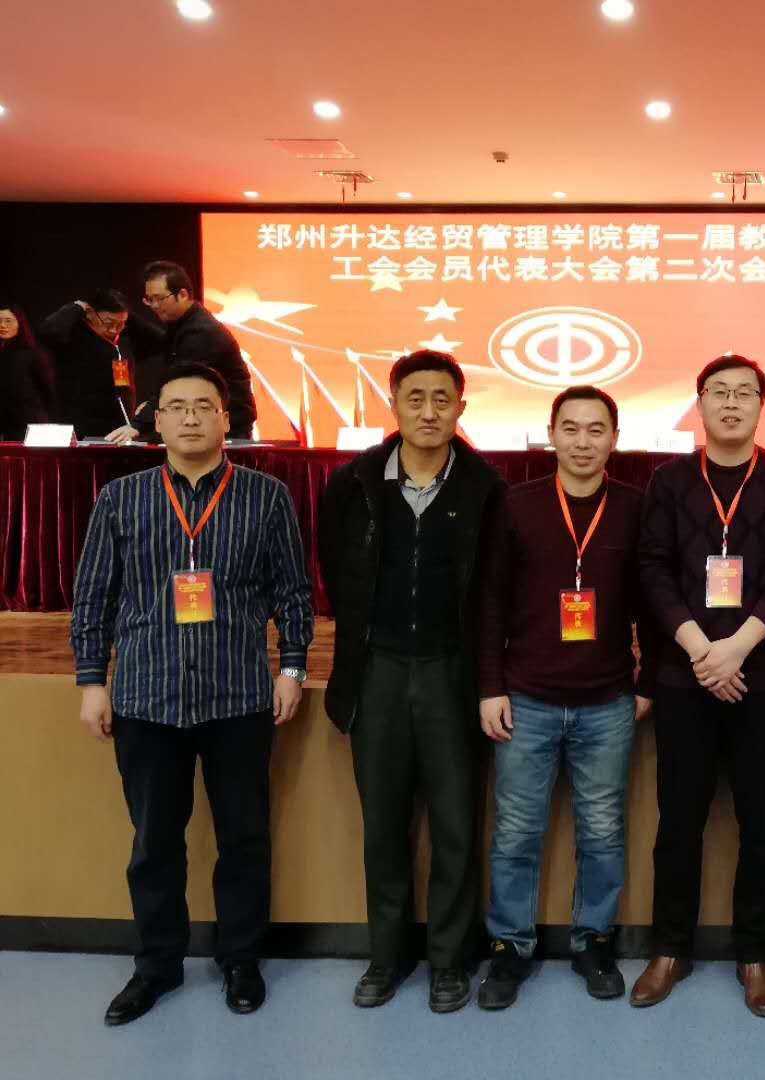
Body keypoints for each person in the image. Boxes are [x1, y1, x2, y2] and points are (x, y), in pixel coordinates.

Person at [69, 361, 313, 1026]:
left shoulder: (265, 497)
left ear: (225, 418)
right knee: (154, 843)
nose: (190, 418)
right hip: (146, 697)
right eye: (176, 407)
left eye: (204, 406)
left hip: (239, 697)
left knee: (244, 839)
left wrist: (292, 668)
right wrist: (91, 680)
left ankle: (241, 959)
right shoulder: (121, 498)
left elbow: (293, 590)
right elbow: (93, 596)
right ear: (157, 419)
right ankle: (157, 966)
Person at [317, 350, 505, 1014]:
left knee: (456, 824)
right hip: (378, 670)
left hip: (452, 671)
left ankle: (449, 961)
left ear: (461, 407)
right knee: (384, 824)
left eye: (442, 399)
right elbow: (334, 567)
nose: (429, 411)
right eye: (415, 398)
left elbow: (493, 587)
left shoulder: (486, 487)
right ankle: (387, 956)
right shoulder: (355, 481)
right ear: (393, 403)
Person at [630, 354, 765, 1018]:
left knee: (760, 823)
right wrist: (700, 649)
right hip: (686, 676)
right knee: (678, 821)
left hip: (763, 677)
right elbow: (652, 569)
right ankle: (669, 949)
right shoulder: (670, 481)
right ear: (700, 402)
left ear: (762, 404)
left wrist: (737, 647)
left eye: (744, 393)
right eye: (719, 392)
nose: (731, 403)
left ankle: (755, 954)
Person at [476, 385, 658, 1008]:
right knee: (515, 833)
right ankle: (509, 948)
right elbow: (491, 601)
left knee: (602, 831)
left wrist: (647, 683)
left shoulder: (634, 508)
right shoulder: (516, 504)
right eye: (571, 429)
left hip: (607, 700)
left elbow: (652, 602)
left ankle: (594, 941)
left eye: (596, 429)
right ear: (551, 433)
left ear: (615, 438)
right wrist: (490, 686)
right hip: (525, 697)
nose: (583, 442)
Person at [122, 260, 257, 441]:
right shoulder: (181, 324)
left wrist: (138, 424)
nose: (154, 305)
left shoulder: (201, 332)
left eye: (159, 298)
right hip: (208, 421)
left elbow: (179, 383)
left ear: (183, 294)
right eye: (149, 300)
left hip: (227, 428)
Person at [37, 290, 139, 441]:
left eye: (120, 325)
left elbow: (158, 338)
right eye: (108, 323)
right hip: (80, 426)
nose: (113, 330)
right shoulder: (72, 334)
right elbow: (47, 332)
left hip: (119, 427)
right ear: (90, 313)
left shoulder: (124, 339)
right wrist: (77, 306)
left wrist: (124, 313)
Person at [0, 301, 56, 440]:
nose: (3, 325)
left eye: (8, 321)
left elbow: (48, 391)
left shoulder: (33, 354)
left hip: (29, 426)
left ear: (20, 323)